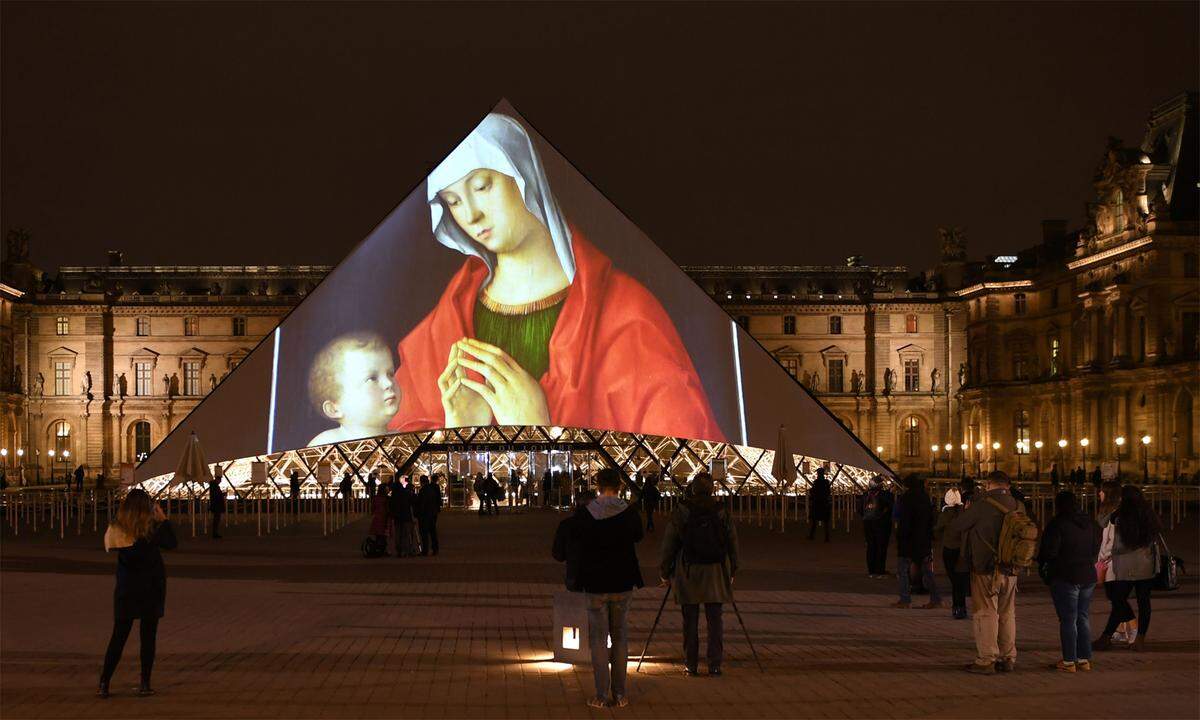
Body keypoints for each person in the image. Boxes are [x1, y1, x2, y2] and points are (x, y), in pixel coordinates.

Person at [387, 113, 724, 443]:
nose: (472, 215)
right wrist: (456, 433)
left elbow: (681, 461)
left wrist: (541, 430)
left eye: (482, 186)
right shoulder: (441, 329)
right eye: (454, 201)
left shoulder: (627, 315)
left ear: (524, 174)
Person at [570, 468, 643, 708]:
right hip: (622, 581)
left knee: (598, 640)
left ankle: (601, 695)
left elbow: (575, 542)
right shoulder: (629, 513)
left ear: (598, 485)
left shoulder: (586, 513)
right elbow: (638, 536)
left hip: (595, 582)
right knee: (620, 637)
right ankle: (620, 694)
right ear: (620, 486)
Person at [98, 489, 177, 698]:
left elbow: (112, 547)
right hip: (151, 588)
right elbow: (172, 544)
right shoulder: (151, 530)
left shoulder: (118, 529)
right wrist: (164, 520)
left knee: (118, 637)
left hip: (127, 589)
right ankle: (144, 683)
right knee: (148, 638)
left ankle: (104, 682)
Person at [659, 472, 739, 678]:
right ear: (712, 489)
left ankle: (691, 665)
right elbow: (732, 542)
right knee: (715, 619)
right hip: (716, 569)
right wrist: (733, 569)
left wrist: (664, 572)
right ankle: (714, 665)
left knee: (690, 619)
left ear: (692, 489)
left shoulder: (682, 510)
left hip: (689, 570)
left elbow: (669, 543)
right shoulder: (722, 510)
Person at [950, 470, 1021, 674]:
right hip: (1011, 567)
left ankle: (986, 659)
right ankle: (1008, 657)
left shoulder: (982, 504)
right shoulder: (1018, 505)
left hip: (985, 567)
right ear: (1007, 485)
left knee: (985, 612)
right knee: (1007, 613)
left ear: (989, 485)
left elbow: (957, 526)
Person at [1038, 490, 1101, 672]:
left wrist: (1046, 566)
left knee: (1068, 619)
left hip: (1066, 575)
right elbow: (1095, 547)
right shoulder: (1089, 523)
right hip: (1087, 574)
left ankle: (1068, 661)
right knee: (1082, 616)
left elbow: (1049, 552)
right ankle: (1084, 658)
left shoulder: (1058, 524)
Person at [1094, 485, 1162, 652]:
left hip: (1126, 566)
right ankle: (1139, 638)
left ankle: (1107, 637)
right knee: (1143, 602)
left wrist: (1105, 506)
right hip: (1146, 566)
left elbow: (1101, 522)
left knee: (1118, 600)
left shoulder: (1121, 514)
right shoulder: (1148, 514)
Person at [306, 333, 400, 447]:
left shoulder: (401, 441)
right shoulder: (325, 445)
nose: (388, 383)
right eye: (372, 379)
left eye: (390, 374)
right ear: (334, 409)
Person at [1094, 480, 1135, 644]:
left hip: (1113, 560)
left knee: (1116, 597)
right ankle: (1119, 629)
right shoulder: (1109, 513)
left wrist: (1105, 557)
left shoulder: (1115, 514)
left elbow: (1113, 540)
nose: (1099, 494)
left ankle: (1134, 626)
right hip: (1110, 558)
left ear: (1108, 494)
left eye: (1102, 491)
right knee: (1116, 597)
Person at [894, 475, 941, 609]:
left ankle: (905, 599)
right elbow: (930, 520)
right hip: (923, 540)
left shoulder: (906, 498)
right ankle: (935, 598)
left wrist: (900, 536)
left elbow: (905, 522)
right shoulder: (925, 498)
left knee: (903, 570)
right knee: (927, 571)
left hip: (908, 541)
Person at [552, 490, 596, 591]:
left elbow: (558, 554)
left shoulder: (566, 525)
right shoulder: (604, 524)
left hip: (574, 572)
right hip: (598, 574)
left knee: (576, 602)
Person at [936, 487, 969, 619]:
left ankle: (957, 607)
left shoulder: (945, 514)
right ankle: (961, 607)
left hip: (949, 549)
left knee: (955, 580)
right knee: (960, 580)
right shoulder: (965, 513)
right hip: (962, 550)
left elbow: (937, 530)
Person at [859, 475, 893, 578]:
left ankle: (871, 570)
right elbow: (891, 507)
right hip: (881, 524)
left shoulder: (865, 495)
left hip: (868, 523)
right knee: (881, 546)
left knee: (870, 546)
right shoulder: (885, 495)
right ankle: (880, 570)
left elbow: (860, 510)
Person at [389, 477, 418, 557]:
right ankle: (407, 550)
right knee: (406, 534)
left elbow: (391, 507)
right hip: (406, 516)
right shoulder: (406, 494)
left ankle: (399, 550)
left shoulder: (393, 497)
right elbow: (414, 500)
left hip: (397, 518)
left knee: (398, 534)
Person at [416, 475, 442, 556]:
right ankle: (435, 549)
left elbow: (422, 503)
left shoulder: (423, 491)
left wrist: (419, 513)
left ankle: (425, 550)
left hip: (425, 514)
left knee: (424, 533)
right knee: (433, 531)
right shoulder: (432, 489)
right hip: (433, 513)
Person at [807, 467, 832, 542]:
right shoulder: (826, 482)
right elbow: (828, 492)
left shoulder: (816, 482)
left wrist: (811, 492)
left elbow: (813, 492)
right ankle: (826, 537)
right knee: (826, 522)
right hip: (824, 503)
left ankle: (812, 535)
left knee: (814, 521)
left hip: (817, 503)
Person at [368, 483, 391, 555]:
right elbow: (388, 509)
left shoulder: (376, 498)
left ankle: (378, 548)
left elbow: (372, 508)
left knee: (378, 535)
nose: (388, 490)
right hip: (384, 518)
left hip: (377, 518)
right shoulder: (386, 499)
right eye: (387, 489)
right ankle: (382, 550)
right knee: (383, 535)